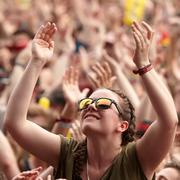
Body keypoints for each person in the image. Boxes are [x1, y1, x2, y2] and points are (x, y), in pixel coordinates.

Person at [4, 21, 178, 180]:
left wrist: (144, 66)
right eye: (86, 103)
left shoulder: (136, 158)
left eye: (102, 104)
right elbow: (15, 123)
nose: (91, 106)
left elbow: (168, 122)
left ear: (122, 125)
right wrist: (36, 62)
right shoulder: (68, 153)